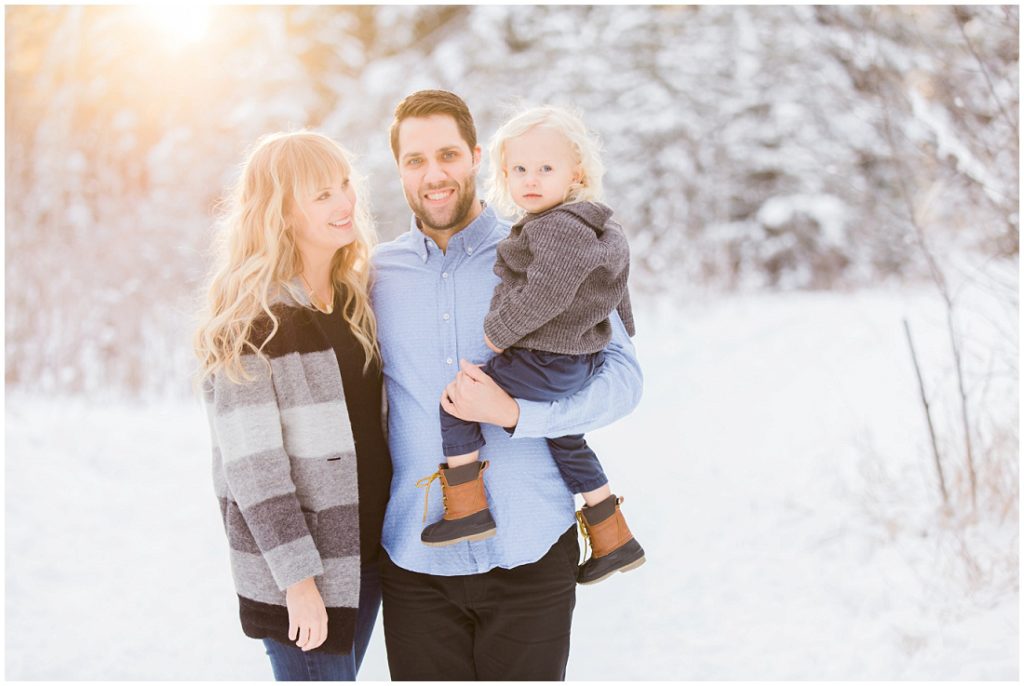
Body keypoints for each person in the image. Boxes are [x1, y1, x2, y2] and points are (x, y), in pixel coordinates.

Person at [371, 89, 643, 680]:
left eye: (447, 154)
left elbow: (624, 380)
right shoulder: (373, 276)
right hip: (417, 562)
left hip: (532, 553)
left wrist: (519, 414)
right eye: (415, 160)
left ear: (474, 156)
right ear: (399, 171)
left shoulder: (546, 248)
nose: (434, 174)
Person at [194, 131, 392, 681]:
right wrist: (299, 583)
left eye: (345, 186)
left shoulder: (355, 301)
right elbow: (254, 470)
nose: (345, 203)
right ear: (280, 213)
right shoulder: (252, 320)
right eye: (322, 194)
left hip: (365, 557)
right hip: (303, 576)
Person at [421, 104, 645, 585]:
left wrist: (496, 333)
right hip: (575, 359)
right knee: (566, 436)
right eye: (520, 169)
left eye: (546, 168)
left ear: (576, 171)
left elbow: (547, 291)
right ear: (503, 172)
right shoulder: (594, 224)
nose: (531, 180)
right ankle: (612, 534)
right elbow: (615, 284)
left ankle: (466, 508)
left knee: (459, 403)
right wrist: (620, 325)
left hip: (547, 357)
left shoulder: (557, 227)